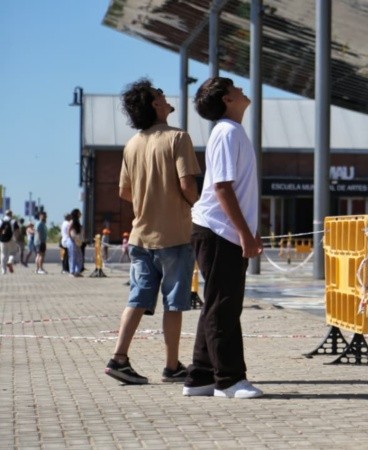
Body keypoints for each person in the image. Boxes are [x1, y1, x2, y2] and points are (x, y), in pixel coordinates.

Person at [104, 78, 201, 386]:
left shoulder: (131, 145)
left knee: (138, 298)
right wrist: (196, 205)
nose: (164, 94)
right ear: (156, 105)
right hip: (174, 235)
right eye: (159, 93)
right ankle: (172, 366)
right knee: (174, 303)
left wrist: (151, 197)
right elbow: (188, 186)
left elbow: (124, 191)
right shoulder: (178, 137)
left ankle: (119, 357)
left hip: (140, 236)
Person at [183, 77, 263, 399]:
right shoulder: (227, 132)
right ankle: (229, 380)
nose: (242, 88)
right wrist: (244, 233)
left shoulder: (231, 132)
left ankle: (200, 377)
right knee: (224, 307)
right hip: (218, 231)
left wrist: (251, 230)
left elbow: (235, 190)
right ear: (226, 100)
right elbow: (222, 187)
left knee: (216, 304)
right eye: (234, 87)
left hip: (221, 230)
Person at [66, 209, 84, 277]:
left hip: (77, 241)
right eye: (79, 213)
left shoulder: (78, 222)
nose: (80, 214)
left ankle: (77, 271)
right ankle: (72, 271)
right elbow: (69, 230)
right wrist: (71, 237)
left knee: (79, 257)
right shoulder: (72, 221)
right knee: (72, 257)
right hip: (72, 241)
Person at [0, 210, 19, 274]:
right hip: (11, 239)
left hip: (2, 240)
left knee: (3, 254)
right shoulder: (13, 221)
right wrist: (16, 238)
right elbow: (17, 231)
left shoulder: (1, 220)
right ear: (11, 214)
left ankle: (3, 270)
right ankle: (10, 261)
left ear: (5, 214)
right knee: (13, 252)